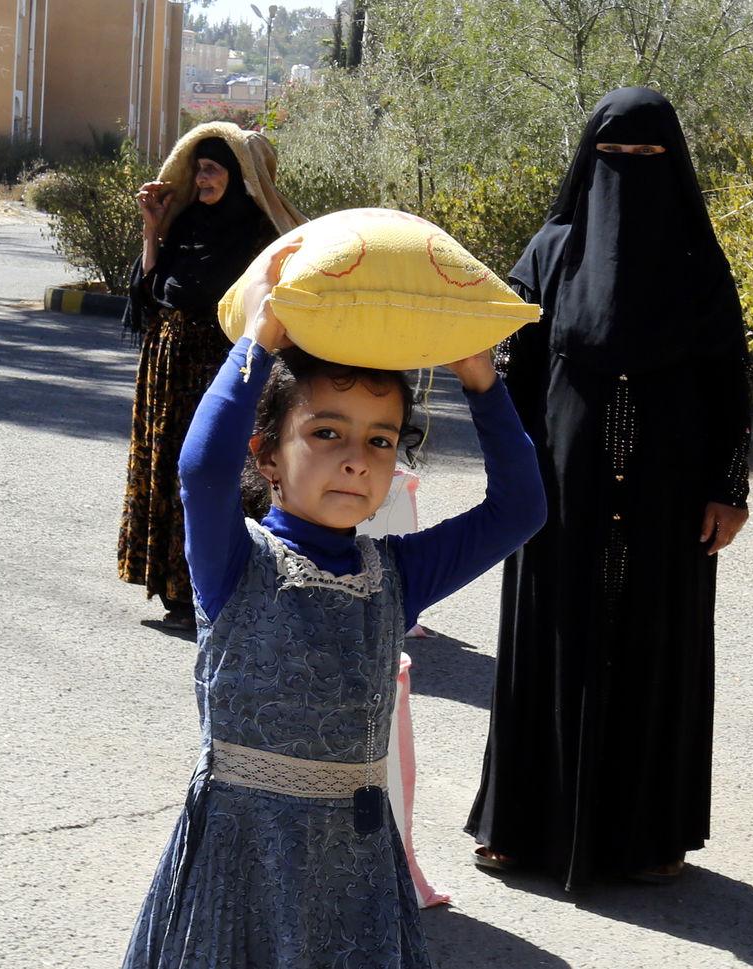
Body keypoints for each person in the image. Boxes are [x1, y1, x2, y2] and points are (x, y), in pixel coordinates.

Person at [119, 239, 546, 968]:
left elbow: (521, 509)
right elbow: (201, 469)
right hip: (238, 860)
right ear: (266, 455)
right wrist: (260, 338)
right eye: (326, 433)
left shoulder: (398, 573)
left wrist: (481, 378)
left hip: (354, 868)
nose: (356, 458)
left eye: (380, 440)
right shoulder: (236, 561)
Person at [465, 86, 752, 890]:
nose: (627, 172)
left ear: (674, 166)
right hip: (559, 494)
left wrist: (729, 489)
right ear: (588, 162)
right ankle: (519, 824)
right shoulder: (552, 253)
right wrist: (509, 477)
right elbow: (512, 372)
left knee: (654, 647)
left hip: (670, 501)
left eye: (646, 158)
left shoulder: (697, 265)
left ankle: (649, 834)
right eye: (612, 156)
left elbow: (730, 382)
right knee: (548, 640)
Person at [117, 122, 306, 630]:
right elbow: (149, 292)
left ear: (237, 176)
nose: (201, 179)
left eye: (211, 169)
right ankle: (175, 591)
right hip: (166, 366)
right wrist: (152, 230)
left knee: (213, 471)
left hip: (221, 368)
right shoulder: (185, 225)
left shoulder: (261, 238)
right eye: (197, 169)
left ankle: (219, 588)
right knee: (167, 469)